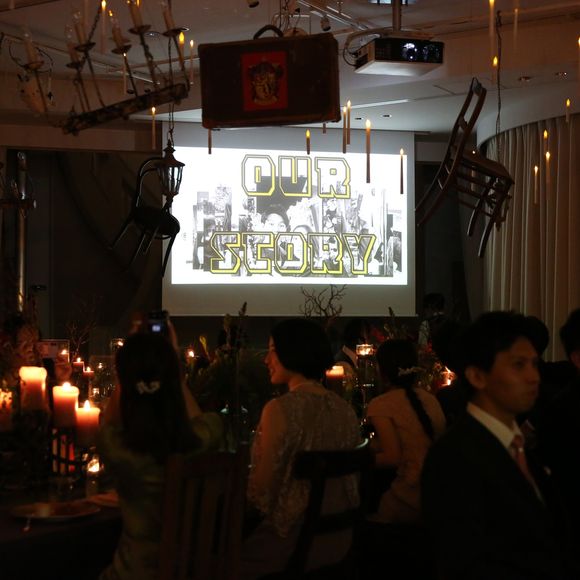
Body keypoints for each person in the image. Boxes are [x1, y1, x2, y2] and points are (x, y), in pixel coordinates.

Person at [421, 311, 573, 580]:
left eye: (534, 364)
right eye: (518, 365)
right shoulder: (454, 457)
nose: (534, 377)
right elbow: (463, 561)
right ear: (477, 376)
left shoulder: (519, 444)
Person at [241, 318, 361, 579]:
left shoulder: (280, 409)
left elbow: (260, 494)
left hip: (290, 546)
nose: (266, 360)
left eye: (272, 350)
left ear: (292, 352)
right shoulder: (345, 410)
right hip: (340, 543)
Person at [98, 332, 223, 580]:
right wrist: (174, 370)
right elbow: (201, 421)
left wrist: (130, 370)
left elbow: (107, 425)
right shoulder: (206, 436)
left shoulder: (118, 448)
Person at [366, 339, 446, 524]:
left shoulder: (381, 405)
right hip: (438, 495)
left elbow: (392, 457)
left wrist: (358, 460)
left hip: (406, 498)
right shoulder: (430, 399)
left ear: (381, 371)